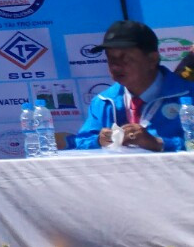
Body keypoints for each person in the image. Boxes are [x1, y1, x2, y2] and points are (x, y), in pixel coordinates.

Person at [70, 21, 194, 151]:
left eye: (125, 58)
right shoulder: (103, 102)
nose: (115, 66)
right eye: (111, 59)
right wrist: (98, 140)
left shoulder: (189, 95)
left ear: (152, 59)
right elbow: (81, 142)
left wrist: (159, 143)